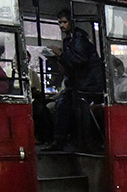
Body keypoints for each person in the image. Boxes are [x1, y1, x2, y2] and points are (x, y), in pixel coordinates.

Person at [44, 9, 104, 150]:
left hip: (88, 84)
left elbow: (79, 61)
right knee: (62, 104)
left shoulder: (79, 38)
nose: (61, 25)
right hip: (77, 83)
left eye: (64, 22)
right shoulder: (70, 39)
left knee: (79, 106)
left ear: (72, 22)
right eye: (59, 22)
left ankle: (85, 141)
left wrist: (60, 54)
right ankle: (60, 139)